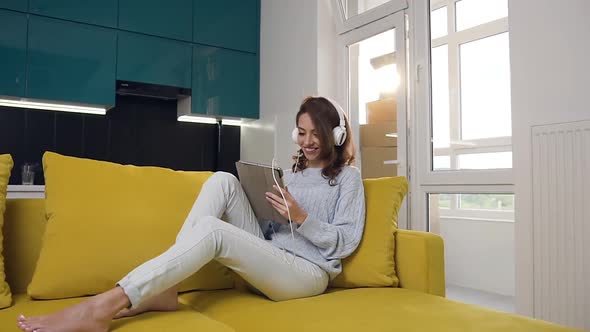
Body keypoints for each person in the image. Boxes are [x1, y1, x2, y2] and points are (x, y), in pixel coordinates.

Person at [16, 96, 366, 332]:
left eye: (315, 134)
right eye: (301, 133)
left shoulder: (348, 179)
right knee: (223, 181)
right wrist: (267, 207)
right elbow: (271, 233)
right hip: (274, 257)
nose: (306, 142)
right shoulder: (292, 174)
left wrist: (302, 217)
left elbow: (345, 243)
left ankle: (103, 306)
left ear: (335, 135)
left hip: (308, 275)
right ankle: (168, 289)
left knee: (213, 230)